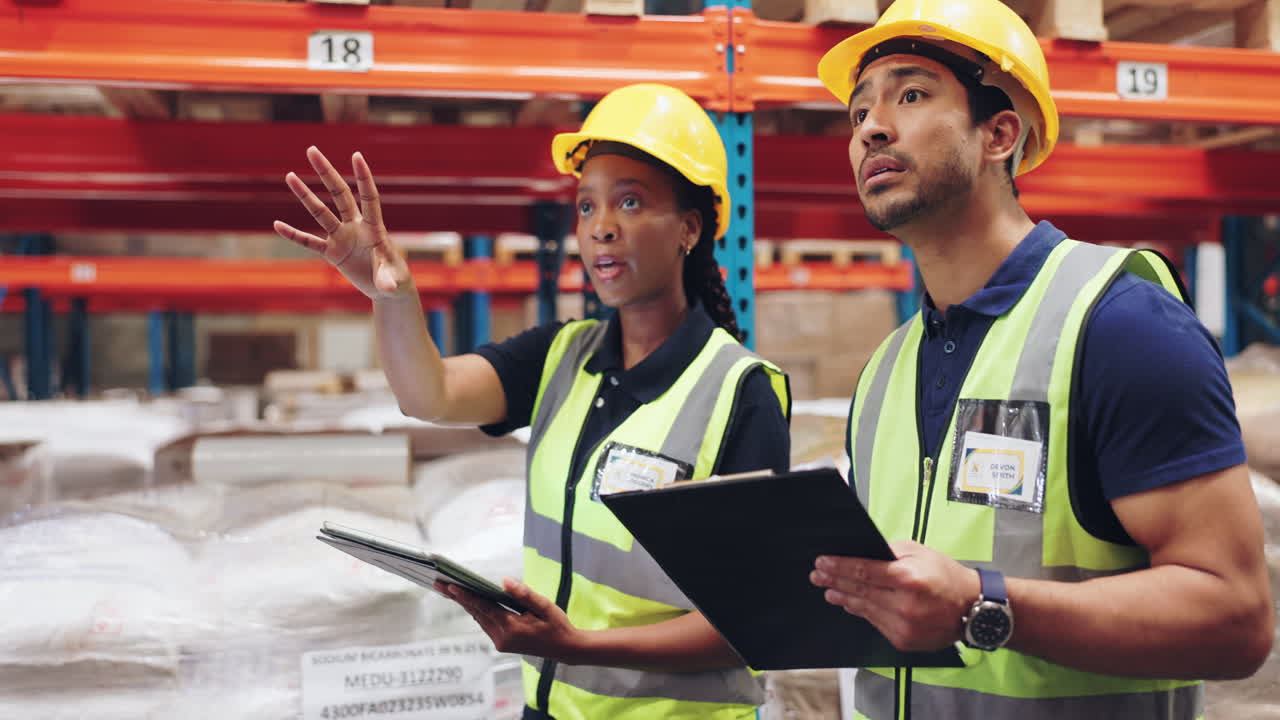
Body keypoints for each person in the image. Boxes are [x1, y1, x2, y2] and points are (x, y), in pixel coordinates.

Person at [805, 1, 1275, 717]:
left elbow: (1235, 619)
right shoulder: (883, 374)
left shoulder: (1122, 325)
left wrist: (985, 606)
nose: (870, 127)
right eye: (858, 111)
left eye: (910, 94)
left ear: (999, 134)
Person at [274, 83, 791, 720]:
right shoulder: (561, 357)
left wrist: (580, 647)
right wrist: (391, 298)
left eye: (630, 202)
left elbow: (755, 620)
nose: (600, 227)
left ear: (690, 228)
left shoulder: (741, 392)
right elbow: (427, 393)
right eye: (586, 206)